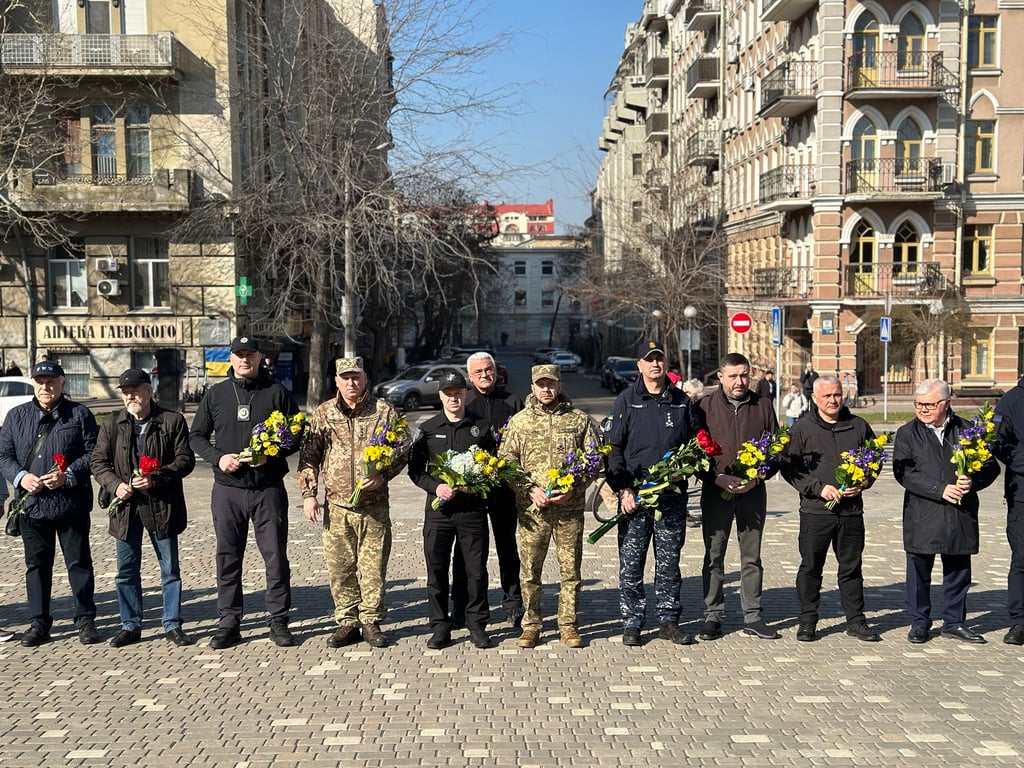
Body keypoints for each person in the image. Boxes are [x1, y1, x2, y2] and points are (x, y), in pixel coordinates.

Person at [189, 336, 303, 649]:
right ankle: (229, 622)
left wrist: (271, 455)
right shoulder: (216, 394)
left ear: (258, 357)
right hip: (227, 490)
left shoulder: (276, 392)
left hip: (267, 489)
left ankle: (278, 620)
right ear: (231, 358)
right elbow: (196, 436)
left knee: (275, 557)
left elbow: (295, 434)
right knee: (227, 557)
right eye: (239, 355)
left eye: (249, 355)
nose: (244, 360)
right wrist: (217, 457)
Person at [297, 357, 411, 649]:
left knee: (373, 568)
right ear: (336, 381)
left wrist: (383, 475)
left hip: (373, 506)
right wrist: (309, 495)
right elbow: (309, 456)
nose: (351, 383)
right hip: (336, 507)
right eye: (345, 378)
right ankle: (347, 622)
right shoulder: (324, 413)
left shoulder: (384, 411)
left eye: (356, 377)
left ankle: (371, 621)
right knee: (341, 568)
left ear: (365, 379)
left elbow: (403, 448)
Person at [606, 340, 705, 647]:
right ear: (640, 365)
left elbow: (698, 444)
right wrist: (622, 489)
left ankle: (668, 620)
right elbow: (613, 450)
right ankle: (633, 621)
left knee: (669, 563)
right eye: (649, 360)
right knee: (631, 563)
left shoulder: (680, 402)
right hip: (634, 499)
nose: (655, 365)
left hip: (671, 498)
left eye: (660, 360)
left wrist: (686, 470)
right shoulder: (626, 400)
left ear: (666, 365)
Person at [90, 368, 196, 647]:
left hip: (162, 506)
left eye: (135, 391)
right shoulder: (112, 423)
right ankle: (130, 624)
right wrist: (115, 485)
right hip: (125, 508)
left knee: (170, 569)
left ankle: (172, 623)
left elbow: (186, 460)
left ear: (149, 391)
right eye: (126, 392)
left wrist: (157, 478)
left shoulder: (171, 420)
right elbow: (98, 462)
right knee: (126, 570)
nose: (130, 396)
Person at [498, 364, 602, 649]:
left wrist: (574, 489)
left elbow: (594, 462)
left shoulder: (579, 420)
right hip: (533, 512)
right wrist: (529, 489)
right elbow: (506, 463)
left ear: (559, 386)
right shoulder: (519, 422)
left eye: (551, 384)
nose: (546, 389)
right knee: (530, 571)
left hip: (569, 510)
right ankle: (531, 625)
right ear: (532, 387)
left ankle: (568, 625)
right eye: (541, 384)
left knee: (570, 570)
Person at [0, 361, 99, 647]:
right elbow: (4, 456)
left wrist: (68, 476)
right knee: (37, 566)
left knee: (79, 563)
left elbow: (93, 453)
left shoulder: (80, 414)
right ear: (33, 384)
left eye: (51, 381)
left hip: (71, 504)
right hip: (33, 505)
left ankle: (85, 619)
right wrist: (22, 477)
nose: (46, 386)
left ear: (62, 383)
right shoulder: (16, 416)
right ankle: (39, 623)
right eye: (40, 381)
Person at [893, 379, 999, 644]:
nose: (923, 410)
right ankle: (919, 622)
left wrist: (974, 482)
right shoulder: (907, 433)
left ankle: (954, 622)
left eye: (929, 404)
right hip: (923, 513)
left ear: (946, 403)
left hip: (958, 514)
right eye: (919, 404)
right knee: (918, 572)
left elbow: (991, 468)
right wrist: (938, 488)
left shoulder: (968, 431)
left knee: (958, 571)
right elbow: (903, 472)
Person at [781, 376, 881, 642]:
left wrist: (864, 481)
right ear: (814, 398)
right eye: (827, 396)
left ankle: (856, 621)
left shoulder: (857, 426)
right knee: (811, 567)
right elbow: (790, 468)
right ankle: (808, 620)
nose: (833, 400)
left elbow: (875, 460)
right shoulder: (802, 429)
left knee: (851, 568)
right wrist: (817, 488)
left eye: (837, 395)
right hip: (816, 512)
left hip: (850, 512)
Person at [408, 370, 495, 650]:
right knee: (436, 570)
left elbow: (494, 467)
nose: (454, 397)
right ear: (441, 395)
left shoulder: (481, 427)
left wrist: (479, 482)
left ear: (466, 394)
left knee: (476, 571)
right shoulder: (429, 428)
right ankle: (440, 626)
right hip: (440, 513)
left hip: (472, 511)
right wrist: (436, 488)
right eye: (448, 393)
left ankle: (476, 624)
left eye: (458, 392)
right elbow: (415, 471)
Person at [697, 352, 780, 641]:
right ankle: (712, 616)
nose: (739, 381)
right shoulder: (704, 407)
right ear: (720, 376)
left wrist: (757, 477)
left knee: (752, 557)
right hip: (716, 491)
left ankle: (753, 616)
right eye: (732, 376)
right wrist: (714, 477)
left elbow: (776, 450)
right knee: (714, 555)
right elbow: (694, 453)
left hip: (752, 493)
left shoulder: (763, 406)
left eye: (744, 375)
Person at [460, 351, 524, 627]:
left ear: (496, 372)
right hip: (471, 489)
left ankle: (513, 603)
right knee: (470, 550)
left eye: (489, 370)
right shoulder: (465, 402)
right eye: (479, 372)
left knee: (507, 547)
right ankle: (464, 606)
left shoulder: (511, 401)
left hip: (504, 488)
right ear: (469, 376)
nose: (485, 375)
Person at [995, 373, 1024, 645]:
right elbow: (999, 444)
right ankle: (1019, 623)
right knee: (1022, 559)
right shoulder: (1013, 400)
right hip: (1022, 494)